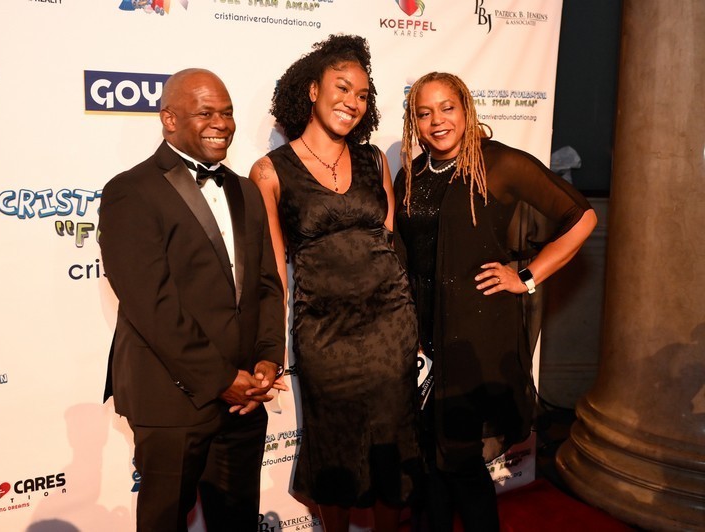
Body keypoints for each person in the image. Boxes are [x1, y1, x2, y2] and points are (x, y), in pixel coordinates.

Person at [394, 72, 598, 531]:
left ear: (466, 109)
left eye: (447, 107)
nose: (437, 120)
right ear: (414, 122)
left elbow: (581, 217)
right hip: (423, 334)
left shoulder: (500, 163)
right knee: (429, 458)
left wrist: (526, 277)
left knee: (460, 460)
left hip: (476, 333)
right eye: (424, 113)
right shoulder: (413, 173)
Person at [99, 68, 286, 531]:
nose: (221, 123)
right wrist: (221, 378)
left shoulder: (245, 190)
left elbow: (266, 283)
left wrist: (267, 359)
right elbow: (151, 305)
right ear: (169, 118)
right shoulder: (131, 190)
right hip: (171, 398)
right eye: (206, 113)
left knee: (236, 522)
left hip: (244, 398)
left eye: (227, 112)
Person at [249, 35, 420, 532]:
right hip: (324, 331)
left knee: (393, 439)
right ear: (312, 90)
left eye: (362, 94)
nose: (352, 101)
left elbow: (389, 241)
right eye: (342, 87)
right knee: (333, 442)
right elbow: (274, 273)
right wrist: (269, 349)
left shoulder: (374, 160)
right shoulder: (270, 172)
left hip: (391, 323)